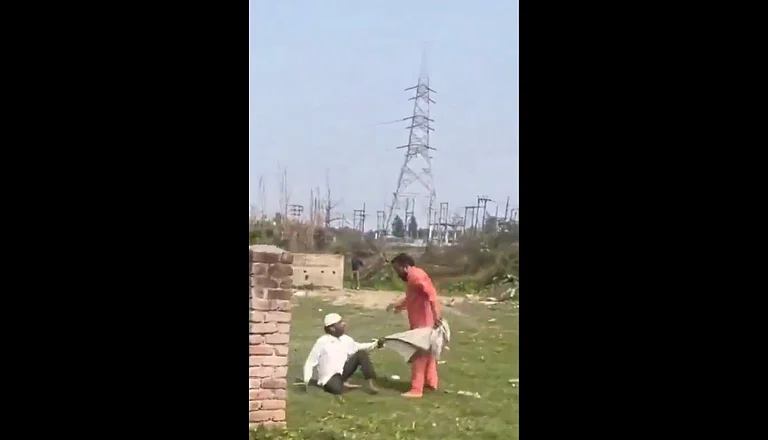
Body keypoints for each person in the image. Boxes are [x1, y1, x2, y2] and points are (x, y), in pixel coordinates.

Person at [386, 253, 443, 399]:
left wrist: (437, 315)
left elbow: (431, 295)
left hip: (423, 323)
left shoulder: (415, 277)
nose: (397, 273)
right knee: (429, 354)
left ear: (404, 266)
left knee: (419, 355)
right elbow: (412, 297)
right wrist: (398, 306)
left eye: (397, 269)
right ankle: (431, 382)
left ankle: (416, 389)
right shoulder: (414, 277)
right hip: (424, 322)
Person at [303, 313, 384, 395]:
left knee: (361, 354)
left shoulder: (346, 339)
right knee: (337, 389)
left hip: (342, 373)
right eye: (340, 323)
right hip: (329, 378)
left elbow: (359, 347)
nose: (344, 324)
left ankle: (370, 385)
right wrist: (306, 380)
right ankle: (343, 385)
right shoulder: (322, 342)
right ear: (332, 328)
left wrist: (376, 344)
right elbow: (310, 362)